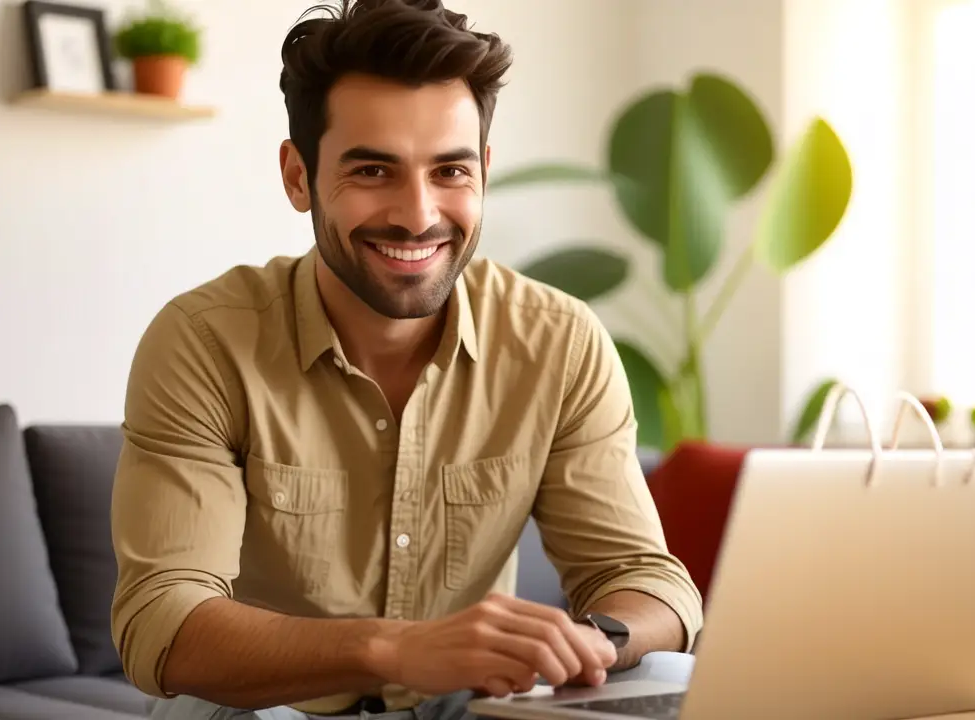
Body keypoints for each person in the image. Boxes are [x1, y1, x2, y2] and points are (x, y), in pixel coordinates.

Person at [108, 0, 704, 718]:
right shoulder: (203, 343)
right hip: (261, 708)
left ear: (482, 169)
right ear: (298, 177)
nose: (418, 214)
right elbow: (163, 624)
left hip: (462, 705)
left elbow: (647, 581)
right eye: (373, 170)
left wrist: (588, 640)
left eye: (449, 171)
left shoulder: (561, 341)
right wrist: (393, 649)